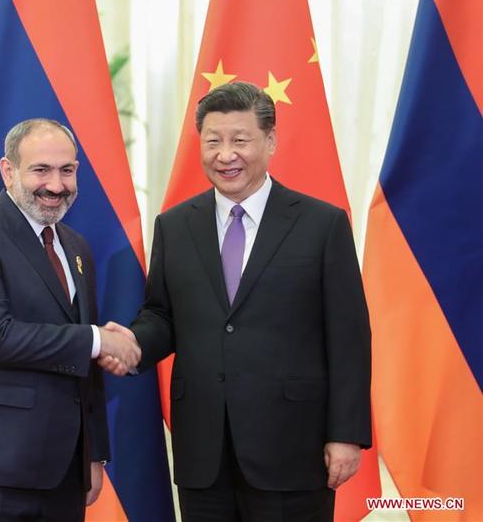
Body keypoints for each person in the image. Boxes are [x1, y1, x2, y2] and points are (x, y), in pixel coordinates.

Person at [102, 82, 372, 521]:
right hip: (203, 454)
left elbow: (349, 337)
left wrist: (346, 434)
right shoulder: (174, 226)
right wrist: (132, 341)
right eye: (213, 141)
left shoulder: (321, 225)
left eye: (240, 140)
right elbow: (163, 314)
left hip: (292, 449)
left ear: (270, 142)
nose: (225, 154)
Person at [0, 118, 140, 522]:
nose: (56, 185)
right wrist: (98, 340)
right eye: (41, 170)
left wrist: (93, 453)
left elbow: (83, 365)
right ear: (8, 171)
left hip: (62, 471)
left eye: (67, 170)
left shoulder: (75, 246)